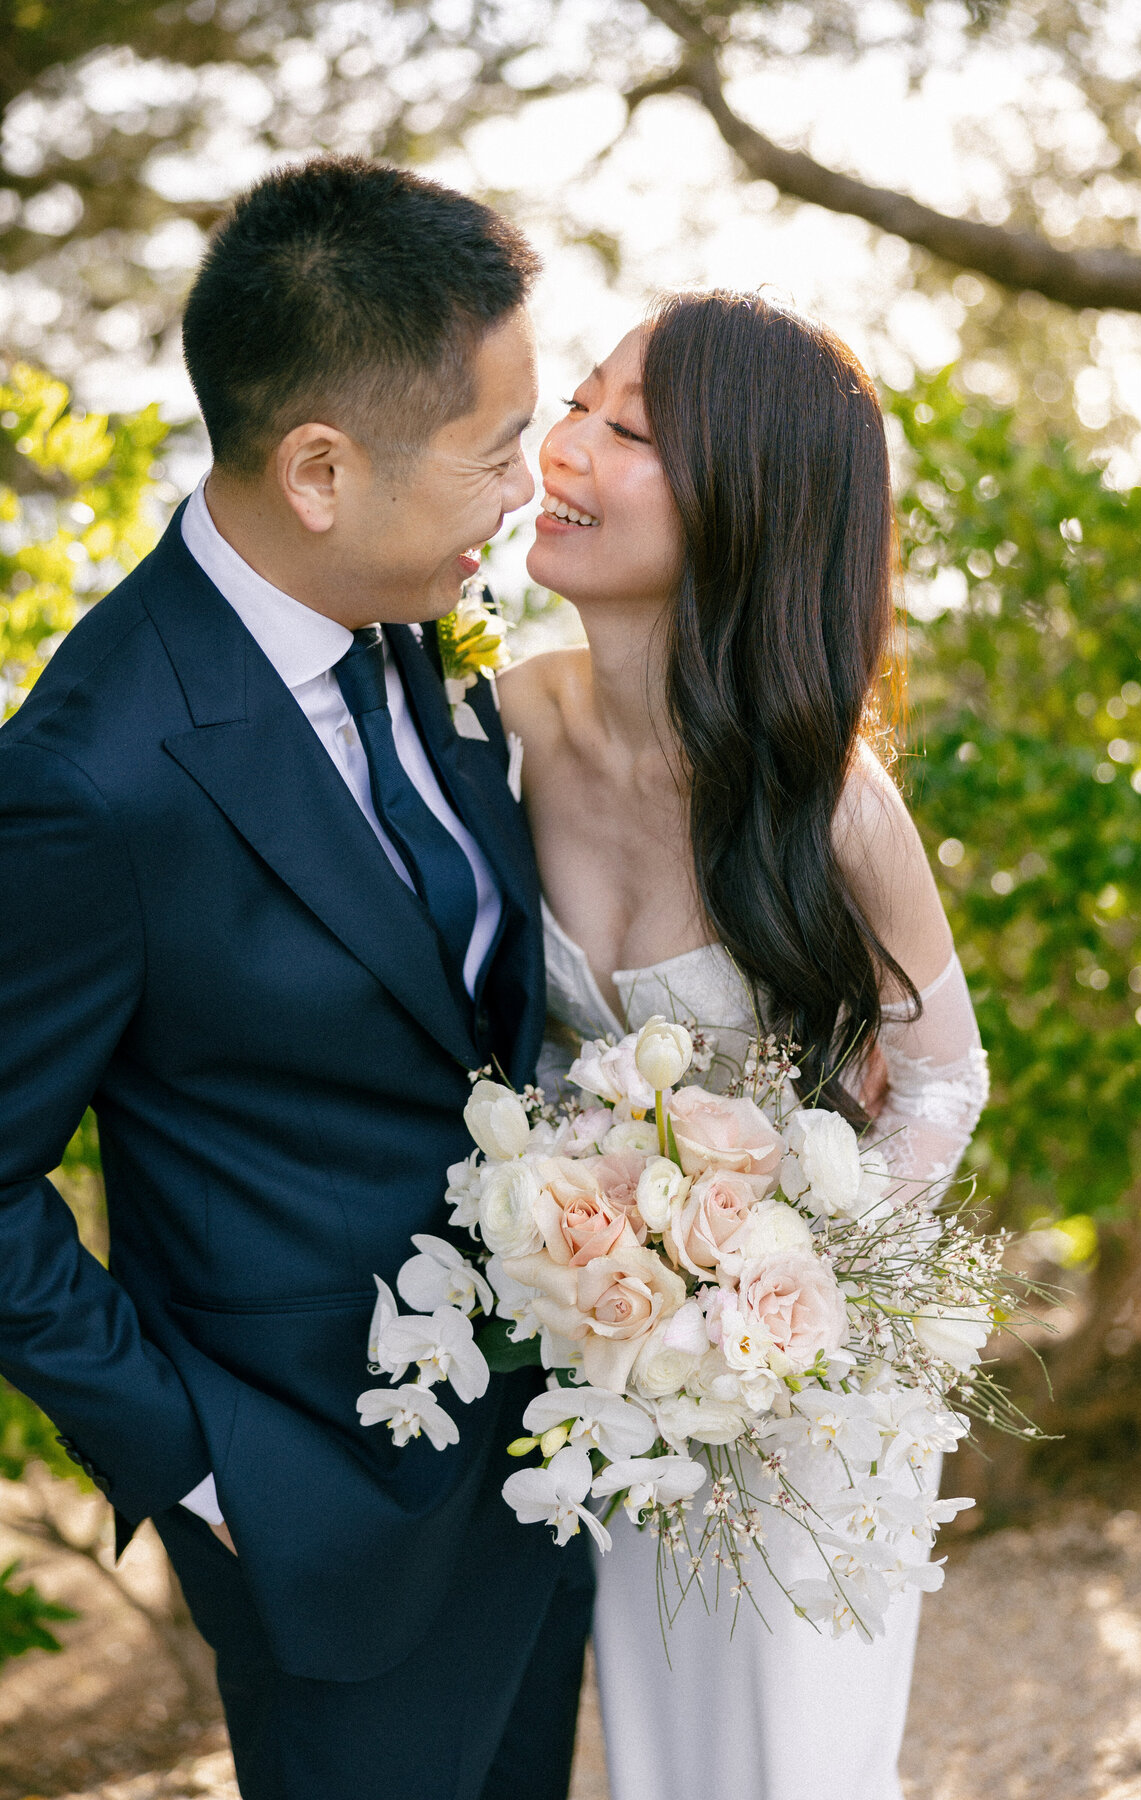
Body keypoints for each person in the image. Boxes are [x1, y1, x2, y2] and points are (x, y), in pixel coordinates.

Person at [0, 155, 592, 1800]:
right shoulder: (91, 774)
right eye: (492, 455)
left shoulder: (418, 629)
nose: (524, 493)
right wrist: (198, 1465)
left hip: (539, 1467)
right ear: (318, 470)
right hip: (317, 1518)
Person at [499, 289, 989, 1800]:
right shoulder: (495, 734)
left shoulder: (832, 804)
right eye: (574, 401)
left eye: (628, 428)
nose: (563, 445)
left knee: (790, 1768)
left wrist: (802, 1279)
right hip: (620, 1378)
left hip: (809, 1404)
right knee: (659, 1762)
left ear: (751, 506)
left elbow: (947, 1073)